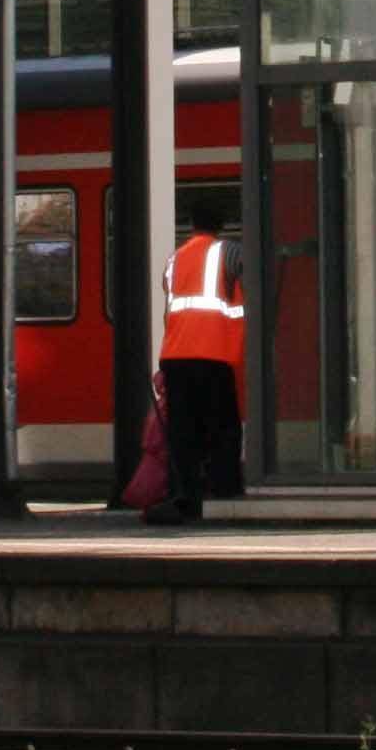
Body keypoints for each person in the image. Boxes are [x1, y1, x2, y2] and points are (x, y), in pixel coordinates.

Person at [149, 220, 246, 524]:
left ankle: (185, 496)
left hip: (176, 356)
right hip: (216, 355)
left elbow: (171, 305)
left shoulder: (174, 259)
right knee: (223, 427)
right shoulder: (229, 252)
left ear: (192, 227)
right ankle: (225, 489)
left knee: (182, 433)